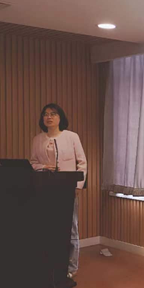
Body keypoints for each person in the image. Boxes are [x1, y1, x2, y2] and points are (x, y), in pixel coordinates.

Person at [29, 103, 87, 279]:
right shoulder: (37, 139)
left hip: (67, 188)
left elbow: (82, 163)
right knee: (47, 227)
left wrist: (78, 186)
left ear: (60, 117)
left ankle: (71, 267)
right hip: (44, 188)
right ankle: (50, 264)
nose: (49, 117)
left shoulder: (72, 137)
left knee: (70, 228)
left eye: (53, 114)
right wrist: (42, 166)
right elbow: (32, 162)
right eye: (46, 114)